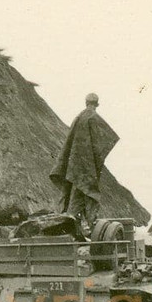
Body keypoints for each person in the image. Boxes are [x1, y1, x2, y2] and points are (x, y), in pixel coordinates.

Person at [50, 93, 120, 234]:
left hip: (74, 167)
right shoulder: (93, 117)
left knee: (76, 195)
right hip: (86, 168)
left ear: (86, 102)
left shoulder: (78, 117)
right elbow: (106, 140)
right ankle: (91, 227)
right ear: (97, 104)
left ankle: (70, 226)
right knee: (89, 194)